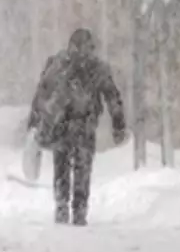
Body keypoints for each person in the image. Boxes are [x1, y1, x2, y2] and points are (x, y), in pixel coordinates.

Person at [27, 28, 127, 226]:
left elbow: (42, 93)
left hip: (63, 124)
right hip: (84, 124)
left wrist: (35, 122)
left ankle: (63, 206)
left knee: (62, 165)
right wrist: (118, 124)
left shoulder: (58, 64)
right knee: (82, 167)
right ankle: (78, 210)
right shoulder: (97, 68)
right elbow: (113, 98)